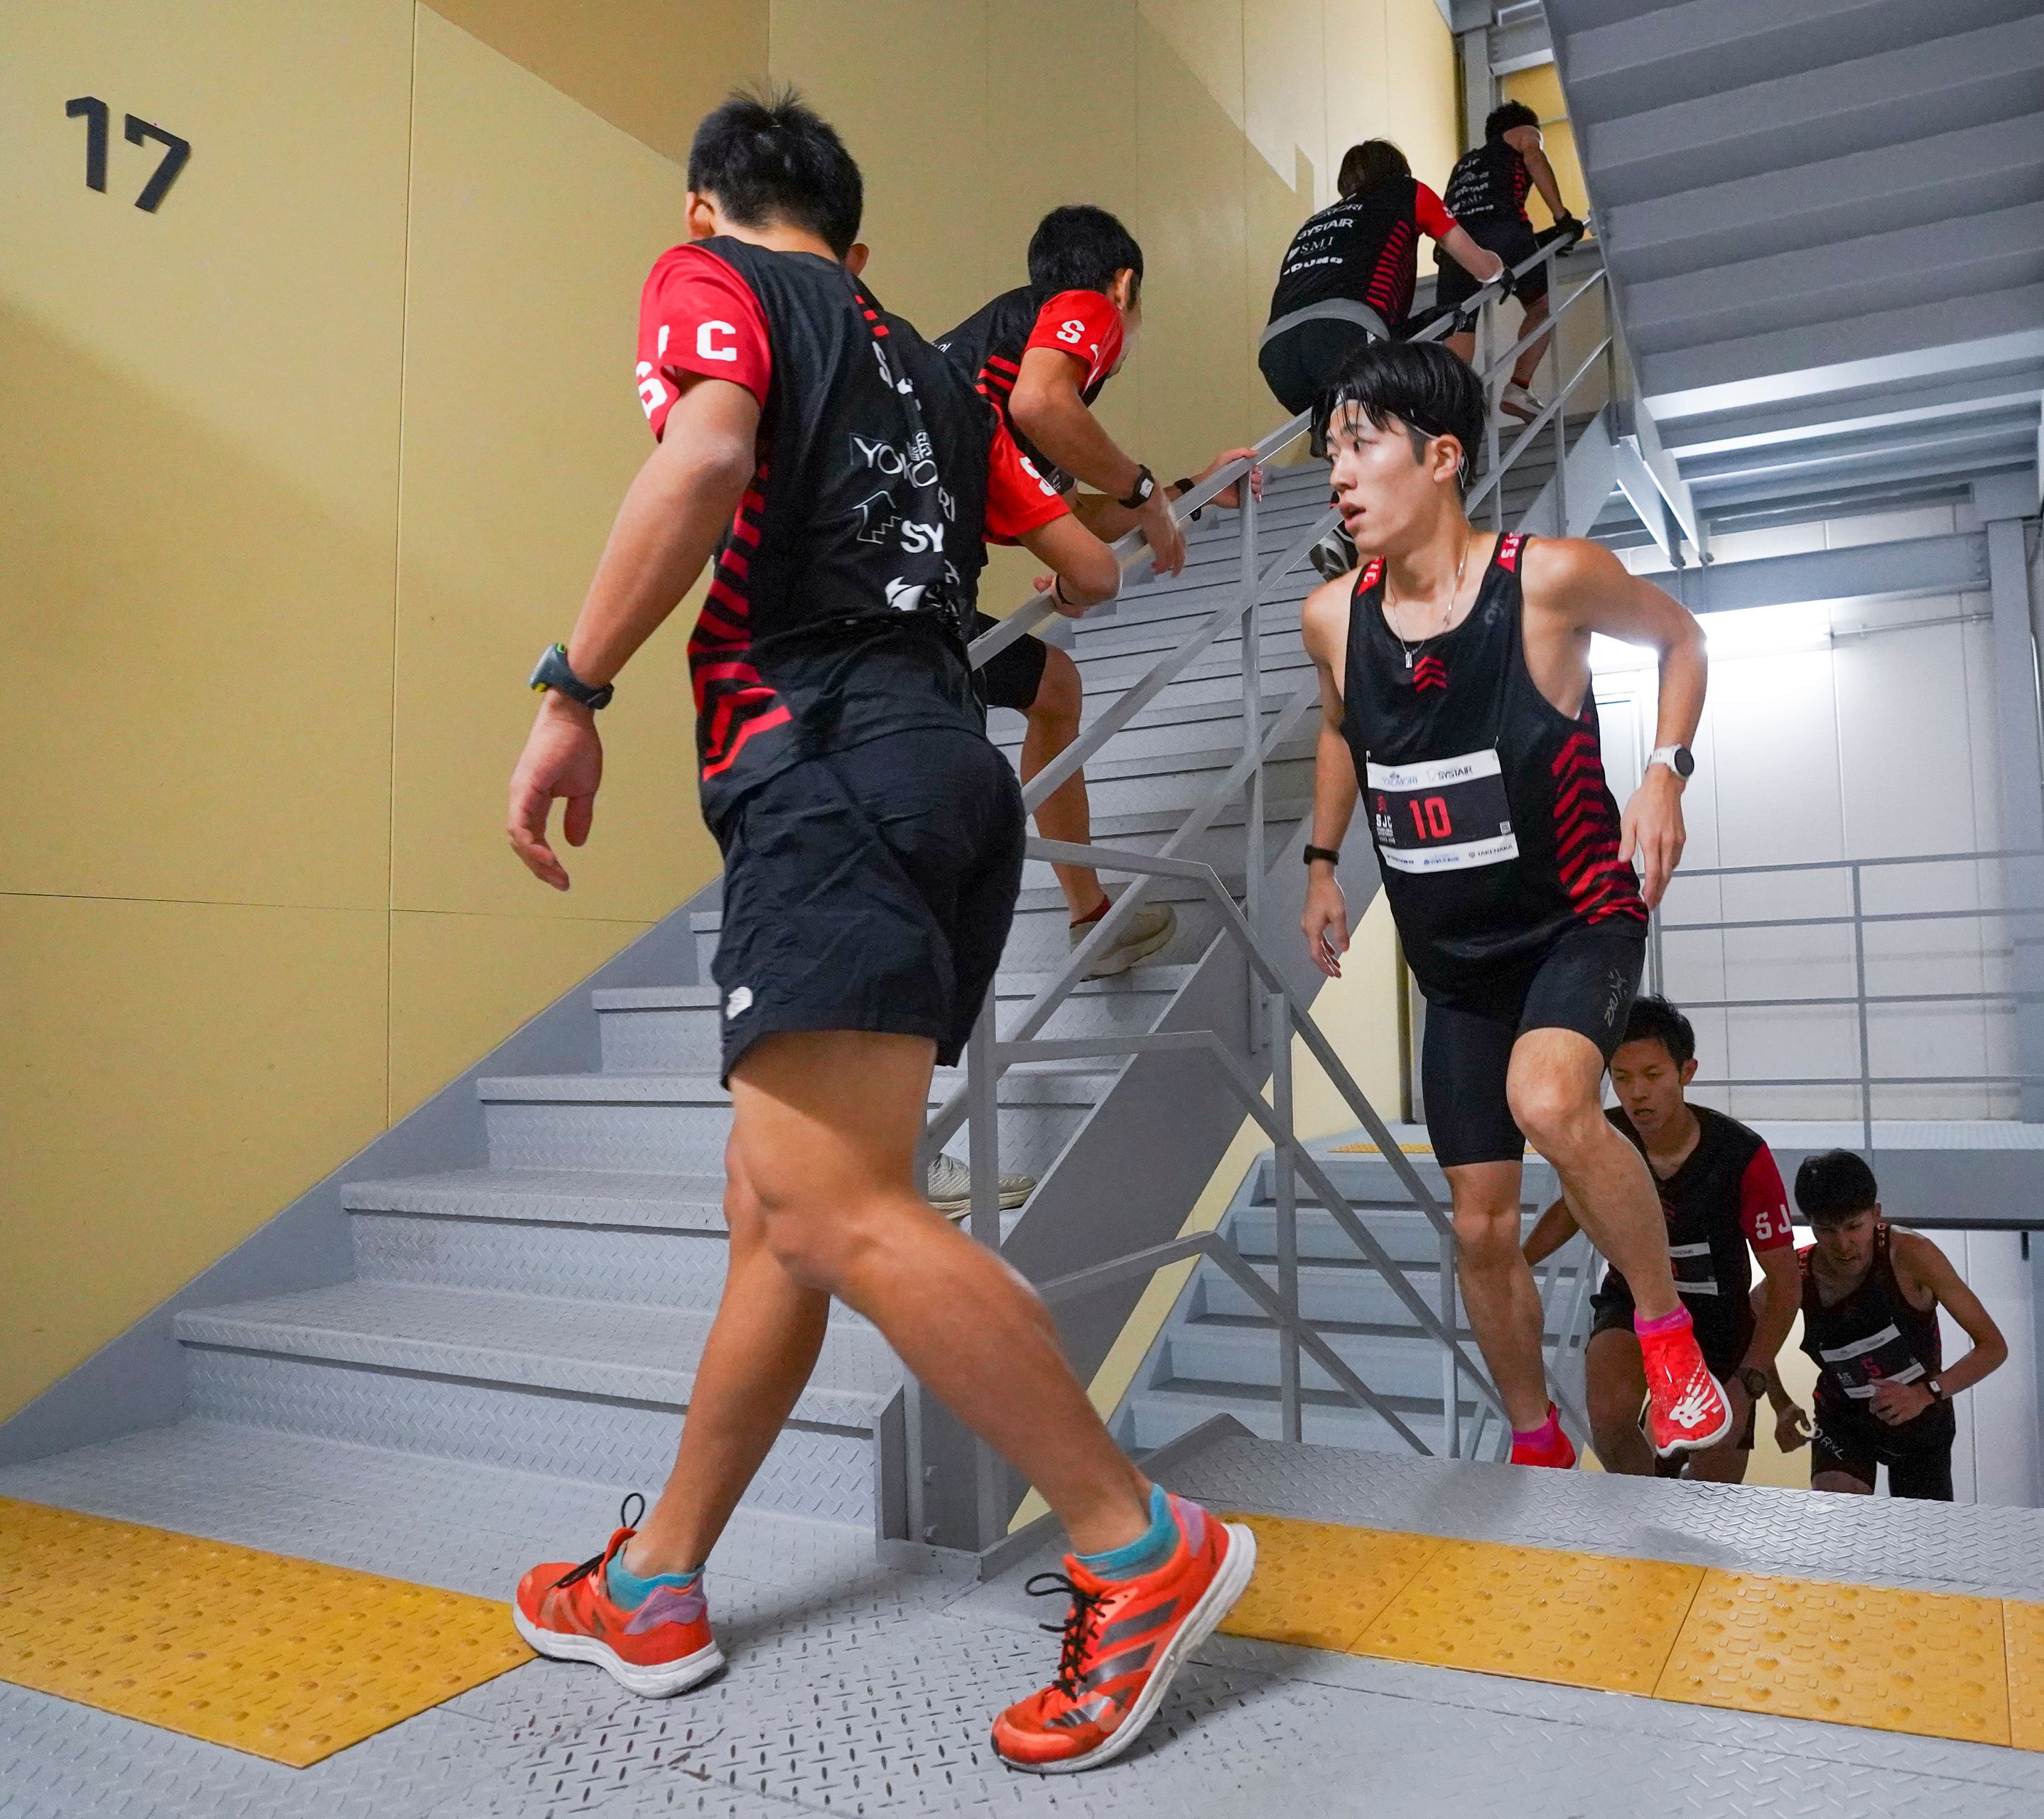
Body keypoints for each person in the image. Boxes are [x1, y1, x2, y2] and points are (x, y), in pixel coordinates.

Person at [499, 89, 1253, 1774]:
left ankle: (1138, 1545)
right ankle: (660, 1578)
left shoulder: (719, 286)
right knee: (774, 1208)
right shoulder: (921, 359)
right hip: (952, 776)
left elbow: (701, 452)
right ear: (860, 244)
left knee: (834, 1202)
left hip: (824, 764)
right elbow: (1087, 565)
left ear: (711, 213)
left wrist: (574, 687)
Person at [1297, 338, 1729, 1472]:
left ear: (1441, 458)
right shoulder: (1332, 616)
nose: (1338, 474)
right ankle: (1537, 1440)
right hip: (1457, 962)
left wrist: (1665, 769)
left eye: (1362, 445)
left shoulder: (1549, 579)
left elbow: (1682, 637)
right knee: (1482, 1228)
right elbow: (1342, 728)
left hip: (1579, 917)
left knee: (1550, 1100)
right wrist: (1318, 861)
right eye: (1329, 451)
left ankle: (1668, 1336)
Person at [939, 205, 1257, 980]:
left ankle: (1090, 912)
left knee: (1055, 683)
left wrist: (1187, 491)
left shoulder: (987, 376)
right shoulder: (1086, 313)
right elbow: (1044, 405)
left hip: (910, 578)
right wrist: (1146, 489)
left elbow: (1072, 510)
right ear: (1124, 283)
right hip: (907, 586)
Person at [1522, 997, 1802, 1480]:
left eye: (1653, 1076)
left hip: (1720, 1324)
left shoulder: (1743, 1156)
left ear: (1686, 1072)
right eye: (1623, 1078)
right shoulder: (1603, 1134)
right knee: (1609, 1414)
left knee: (1716, 1487)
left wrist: (1750, 1379)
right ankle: (1649, 1517)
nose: (1637, 1094)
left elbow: (1785, 1285)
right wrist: (1512, 1260)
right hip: (1632, 1304)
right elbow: (1571, 1210)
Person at [1259, 140, 1504, 576]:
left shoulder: (1318, 220)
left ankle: (1359, 532)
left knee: (1358, 433)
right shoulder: (1407, 193)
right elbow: (1479, 265)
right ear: (1400, 170)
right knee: (1409, 421)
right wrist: (1500, 267)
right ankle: (1343, 524)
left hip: (1278, 355)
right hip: (1343, 332)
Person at [1786, 1149, 2010, 1501]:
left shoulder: (1911, 1255)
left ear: (1876, 1215)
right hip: (1843, 1421)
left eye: (1854, 1227)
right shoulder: (1796, 1272)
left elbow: (1994, 1347)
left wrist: (1925, 1394)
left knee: (1924, 1544)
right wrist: (1778, 1400)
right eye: (1826, 1231)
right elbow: (1748, 1333)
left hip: (1922, 1420)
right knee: (1841, 1528)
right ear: (1809, 1224)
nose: (1843, 1245)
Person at [1439, 100, 1582, 420]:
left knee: (1460, 326)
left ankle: (1455, 412)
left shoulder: (1464, 164)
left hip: (1456, 248)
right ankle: (1518, 388)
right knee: (1542, 307)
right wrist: (1562, 218)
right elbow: (1534, 158)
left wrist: (1540, 241)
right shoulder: (1523, 133)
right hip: (1503, 232)